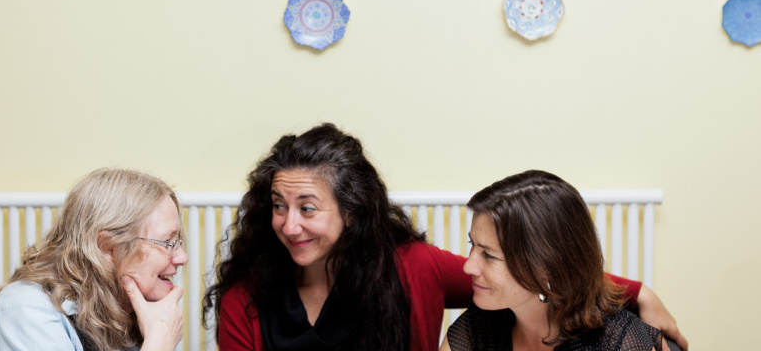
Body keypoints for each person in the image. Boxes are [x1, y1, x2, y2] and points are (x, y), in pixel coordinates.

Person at [203, 124, 685, 351]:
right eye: (279, 206)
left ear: (351, 211)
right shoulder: (247, 298)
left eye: (307, 208)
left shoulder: (414, 266)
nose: (288, 224)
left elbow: (531, 270)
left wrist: (638, 292)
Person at [441, 170, 674, 351]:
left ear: (546, 267)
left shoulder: (619, 342)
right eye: (472, 244)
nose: (468, 266)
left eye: (489, 255)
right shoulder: (479, 328)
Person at [0, 168, 186, 351]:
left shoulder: (126, 309)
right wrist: (159, 343)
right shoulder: (29, 313)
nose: (182, 257)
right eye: (167, 242)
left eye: (178, 242)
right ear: (107, 247)